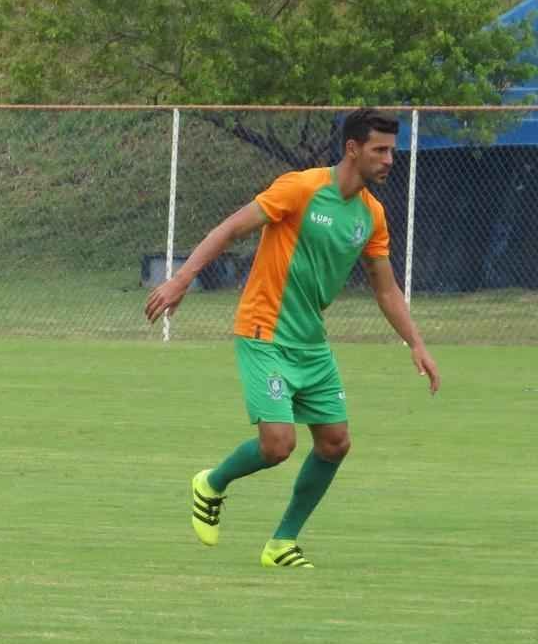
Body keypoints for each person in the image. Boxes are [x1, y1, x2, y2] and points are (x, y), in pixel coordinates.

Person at [144, 108, 440, 568]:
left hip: (311, 342)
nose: (388, 160)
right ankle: (212, 482)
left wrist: (417, 344)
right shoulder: (301, 188)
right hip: (265, 331)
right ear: (352, 149)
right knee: (278, 445)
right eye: (379, 150)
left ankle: (282, 543)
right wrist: (182, 279)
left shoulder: (371, 216)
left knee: (335, 442)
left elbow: (385, 289)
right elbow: (230, 228)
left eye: (391, 151)